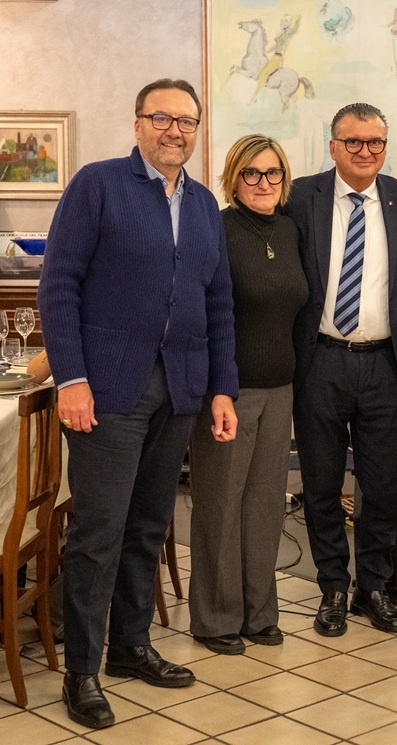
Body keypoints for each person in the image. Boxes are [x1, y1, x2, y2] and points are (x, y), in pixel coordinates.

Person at [37, 78, 239, 730]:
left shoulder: (204, 205)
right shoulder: (97, 186)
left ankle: (129, 645)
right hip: (108, 390)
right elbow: (58, 285)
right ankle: (81, 670)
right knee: (98, 532)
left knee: (149, 526)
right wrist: (71, 378)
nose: (174, 130)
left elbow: (217, 303)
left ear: (197, 130)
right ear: (138, 123)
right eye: (162, 118)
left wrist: (222, 387)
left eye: (186, 121)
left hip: (180, 389)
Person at [286, 102, 397, 637]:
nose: (365, 151)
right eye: (353, 142)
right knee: (321, 485)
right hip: (320, 362)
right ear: (333, 147)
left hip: (387, 365)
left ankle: (373, 586)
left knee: (385, 487)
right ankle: (332, 586)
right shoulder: (300, 197)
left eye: (375, 142)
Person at [189, 134, 308, 655]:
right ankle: (216, 619)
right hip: (228, 391)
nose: (263, 182)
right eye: (251, 173)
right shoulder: (215, 229)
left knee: (264, 507)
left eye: (272, 172)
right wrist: (221, 387)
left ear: (284, 179)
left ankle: (260, 614)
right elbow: (205, 313)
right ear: (233, 179)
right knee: (220, 505)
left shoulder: (290, 230)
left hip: (281, 389)